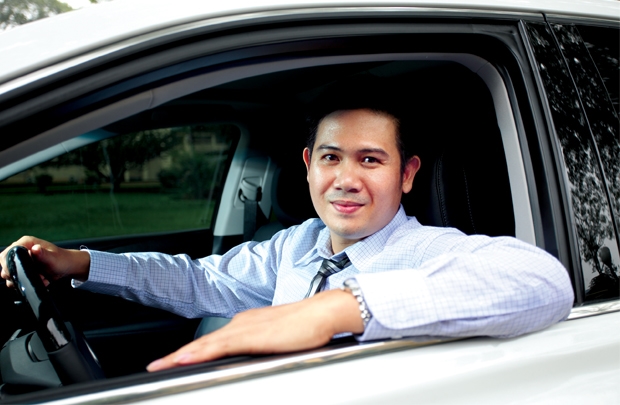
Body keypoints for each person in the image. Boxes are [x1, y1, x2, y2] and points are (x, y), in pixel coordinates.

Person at [1, 105, 574, 373]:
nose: (345, 180)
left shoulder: (430, 251)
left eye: (370, 160)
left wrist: (337, 309)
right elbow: (199, 280)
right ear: (307, 165)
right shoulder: (298, 243)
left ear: (406, 174)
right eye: (331, 157)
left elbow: (544, 280)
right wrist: (81, 263)